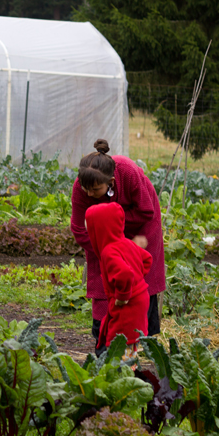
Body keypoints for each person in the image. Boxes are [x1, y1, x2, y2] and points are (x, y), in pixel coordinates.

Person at [70, 139, 165, 347]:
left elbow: (145, 210)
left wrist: (120, 239)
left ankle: (137, 337)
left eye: (95, 190)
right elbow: (78, 229)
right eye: (86, 189)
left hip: (141, 227)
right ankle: (105, 339)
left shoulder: (128, 172)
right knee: (105, 277)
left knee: (140, 278)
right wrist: (105, 247)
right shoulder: (82, 187)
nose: (89, 194)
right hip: (102, 239)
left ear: (111, 182)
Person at [85, 199, 152, 346]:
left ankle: (123, 368)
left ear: (99, 229)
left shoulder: (109, 252)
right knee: (132, 338)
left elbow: (124, 274)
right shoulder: (126, 242)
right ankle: (131, 365)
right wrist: (138, 281)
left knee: (120, 341)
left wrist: (123, 295)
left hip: (127, 303)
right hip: (141, 297)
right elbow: (147, 258)